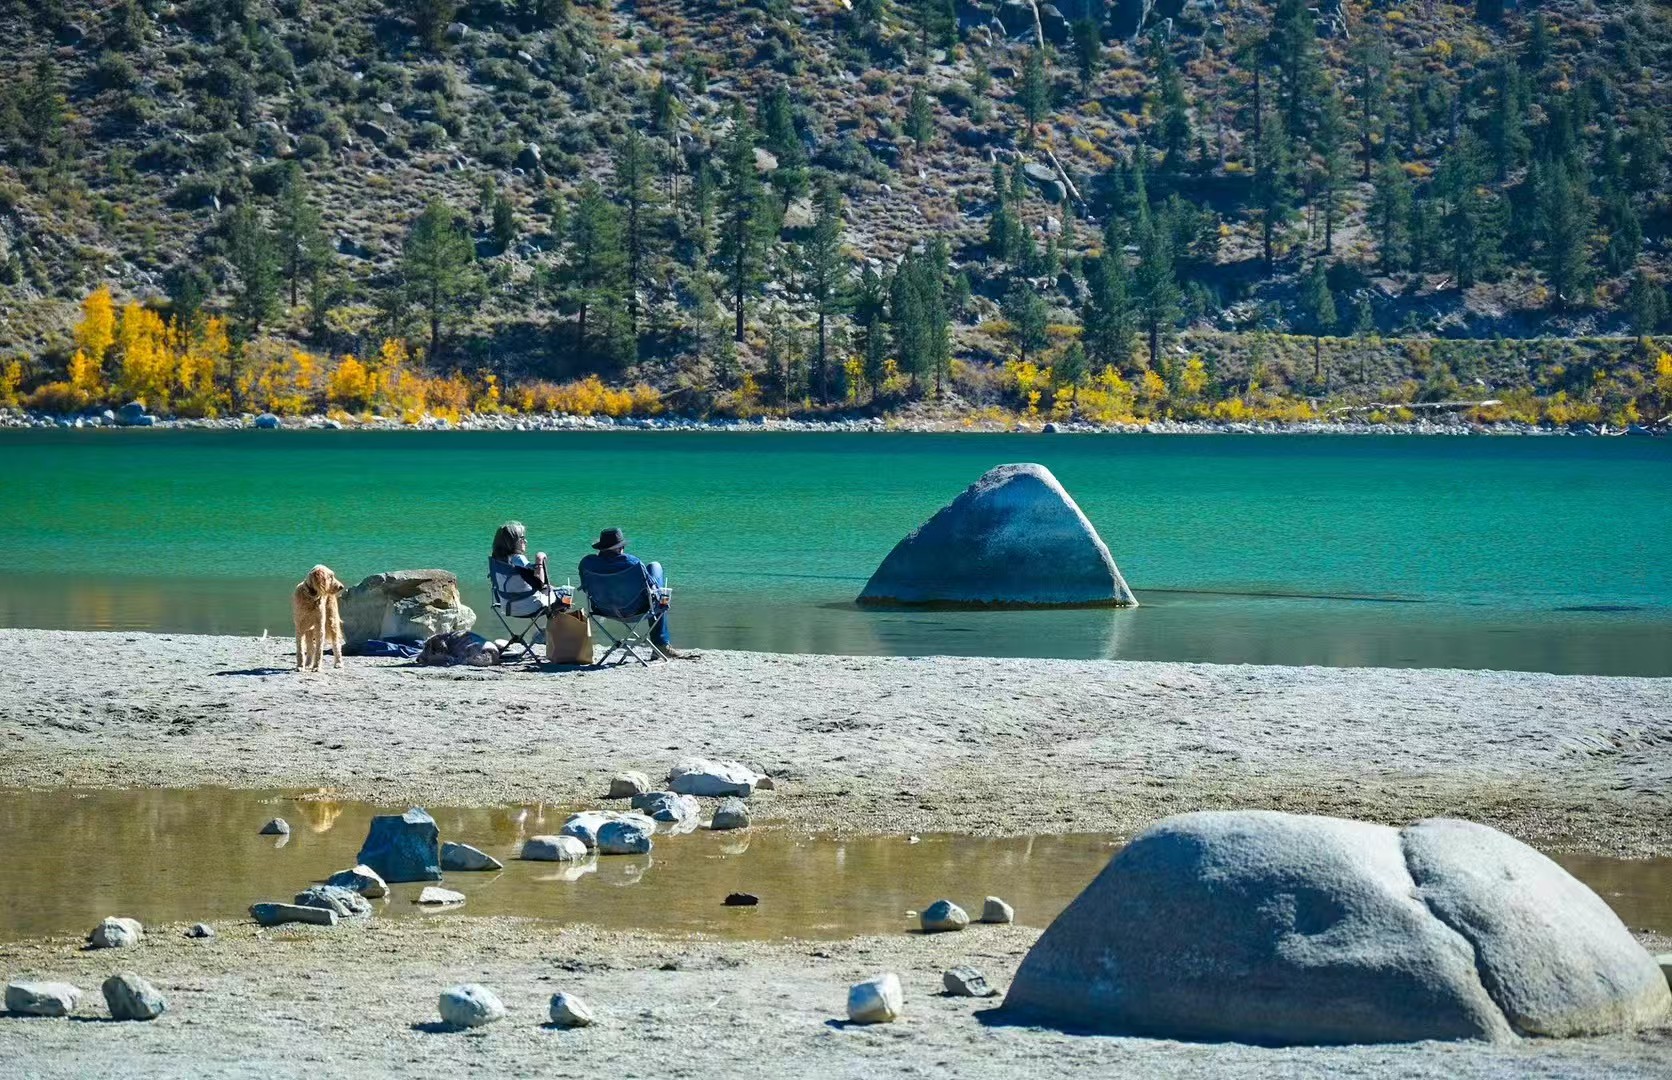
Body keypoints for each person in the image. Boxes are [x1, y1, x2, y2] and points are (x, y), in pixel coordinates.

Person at [577, 527, 693, 659]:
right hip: (635, 609)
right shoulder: (632, 563)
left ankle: (660, 645)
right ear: (621, 547)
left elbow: (586, 588)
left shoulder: (587, 564)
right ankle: (661, 643)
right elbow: (653, 590)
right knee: (655, 568)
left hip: (603, 609)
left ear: (601, 548)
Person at [490, 521, 567, 618]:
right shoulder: (518, 559)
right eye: (522, 538)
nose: (526, 541)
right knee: (565, 593)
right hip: (530, 607)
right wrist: (539, 559)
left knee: (551, 589)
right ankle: (557, 628)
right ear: (512, 542)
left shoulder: (496, 561)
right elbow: (540, 584)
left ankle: (553, 626)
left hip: (507, 607)